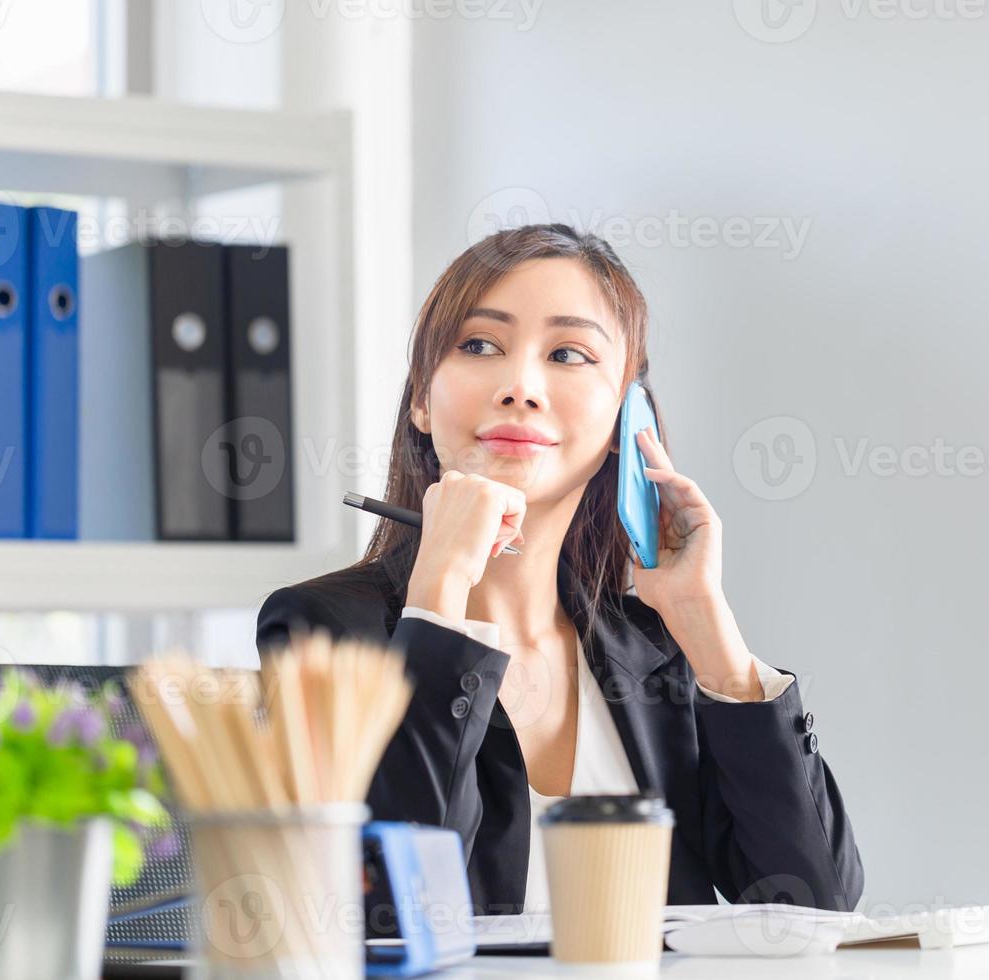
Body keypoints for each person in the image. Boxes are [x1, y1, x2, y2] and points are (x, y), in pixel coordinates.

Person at [256, 223, 863, 915]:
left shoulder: (655, 650)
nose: (521, 386)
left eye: (568, 354)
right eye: (479, 345)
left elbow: (815, 903)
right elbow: (399, 913)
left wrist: (704, 625)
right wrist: (437, 600)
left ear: (627, 419)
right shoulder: (325, 632)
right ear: (422, 399)